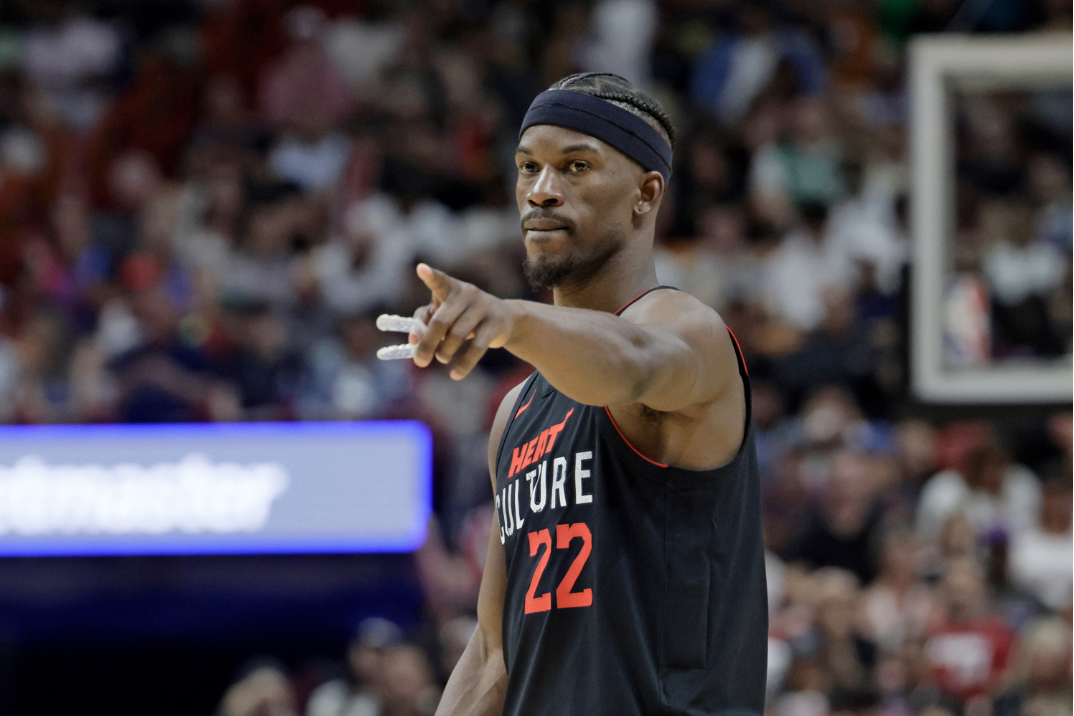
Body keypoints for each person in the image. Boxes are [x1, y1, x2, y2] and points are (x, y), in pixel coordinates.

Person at [400, 72, 767, 715]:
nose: (541, 192)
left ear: (646, 194)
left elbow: (629, 360)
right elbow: (493, 652)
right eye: (527, 167)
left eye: (575, 166)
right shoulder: (516, 413)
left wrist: (509, 320)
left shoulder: (689, 332)